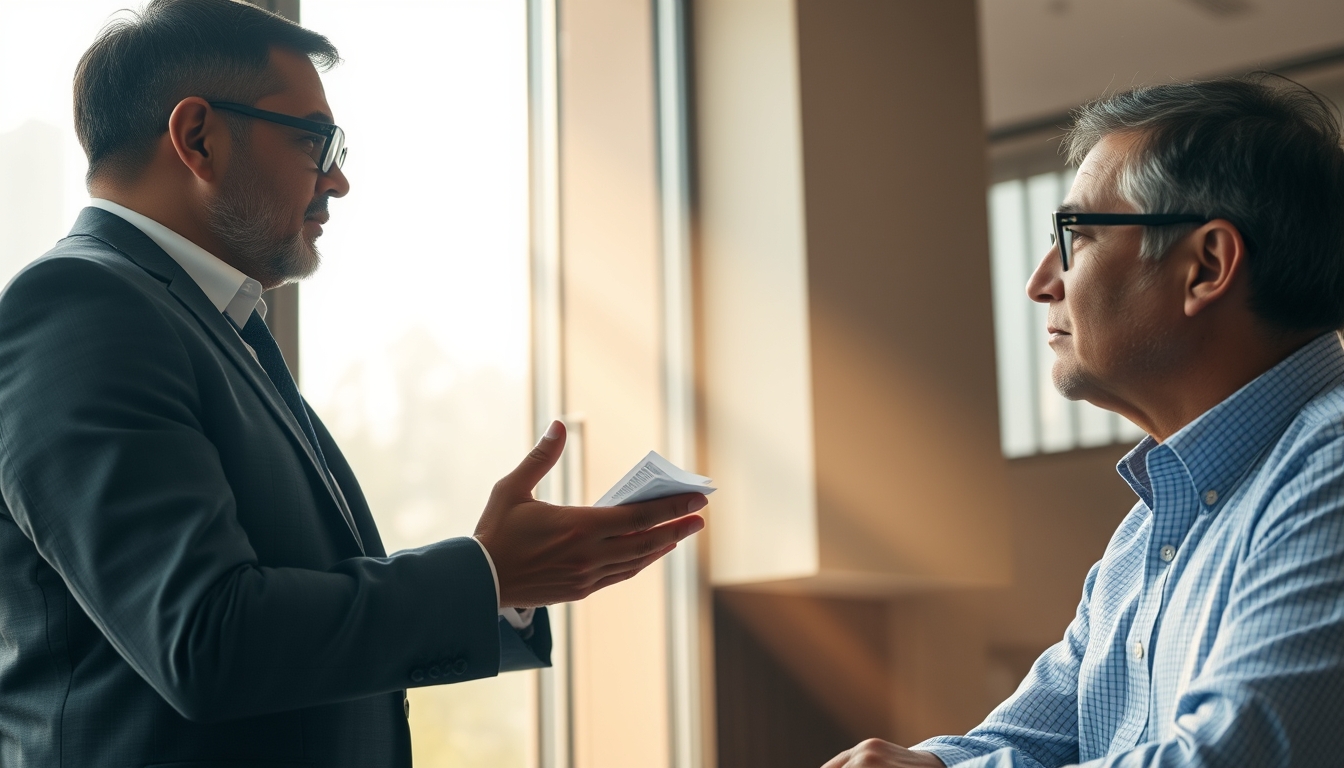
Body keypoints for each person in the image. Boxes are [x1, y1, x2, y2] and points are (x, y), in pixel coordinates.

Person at [0, 1, 706, 766]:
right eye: (314, 140)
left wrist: (501, 584)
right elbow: (205, 638)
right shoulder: (81, 308)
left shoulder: (212, 325)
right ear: (197, 136)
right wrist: (486, 574)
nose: (337, 180)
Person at [824, 75, 1344, 768]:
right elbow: (1033, 737)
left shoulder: (1329, 473)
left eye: (1078, 235)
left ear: (1206, 266)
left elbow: (1231, 757)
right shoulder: (1150, 528)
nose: (1041, 282)